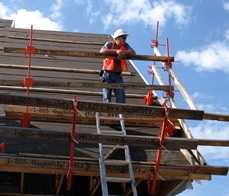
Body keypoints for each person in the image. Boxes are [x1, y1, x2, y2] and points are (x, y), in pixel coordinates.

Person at [100, 28, 136, 103]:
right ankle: (106, 111)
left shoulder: (125, 46)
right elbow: (102, 51)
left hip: (117, 74)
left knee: (120, 95)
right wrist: (116, 51)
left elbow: (133, 53)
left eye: (125, 38)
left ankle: (120, 113)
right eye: (123, 38)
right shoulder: (110, 44)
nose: (125, 39)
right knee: (106, 96)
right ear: (117, 38)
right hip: (107, 73)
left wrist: (123, 52)